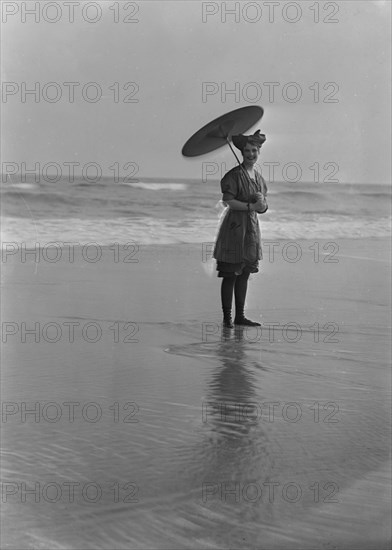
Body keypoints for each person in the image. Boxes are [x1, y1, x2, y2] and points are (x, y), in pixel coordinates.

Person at [213, 130, 268, 328]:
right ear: (242, 152)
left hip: (251, 229)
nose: (250, 154)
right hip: (235, 228)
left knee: (244, 273)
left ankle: (240, 316)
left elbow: (263, 208)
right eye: (247, 151)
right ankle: (227, 318)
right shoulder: (234, 175)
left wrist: (261, 204)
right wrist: (249, 207)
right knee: (231, 273)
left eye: (254, 150)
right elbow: (227, 200)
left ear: (258, 152)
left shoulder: (260, 179)